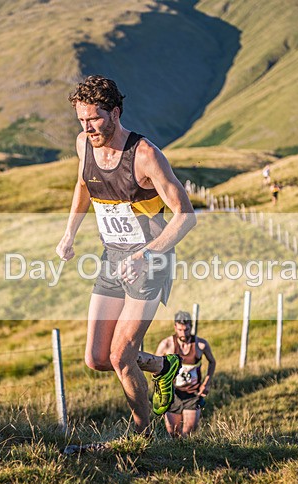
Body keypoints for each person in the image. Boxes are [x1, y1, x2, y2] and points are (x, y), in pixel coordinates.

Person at [56, 75, 197, 435]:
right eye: (82, 121)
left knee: (121, 356)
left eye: (95, 119)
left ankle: (142, 433)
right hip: (113, 257)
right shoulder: (84, 145)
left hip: (152, 260)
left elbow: (185, 216)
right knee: (97, 358)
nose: (88, 128)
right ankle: (163, 366)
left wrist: (147, 255)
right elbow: (84, 185)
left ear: (115, 113)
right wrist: (69, 234)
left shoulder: (145, 155)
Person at [155, 311, 216, 438]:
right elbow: (155, 367)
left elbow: (212, 362)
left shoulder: (200, 344)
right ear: (175, 327)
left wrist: (206, 384)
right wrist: (161, 389)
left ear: (191, 327)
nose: (183, 333)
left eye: (186, 329)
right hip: (173, 393)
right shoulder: (167, 344)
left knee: (189, 431)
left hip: (193, 393)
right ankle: (176, 455)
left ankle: (188, 455)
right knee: (173, 433)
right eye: (180, 330)